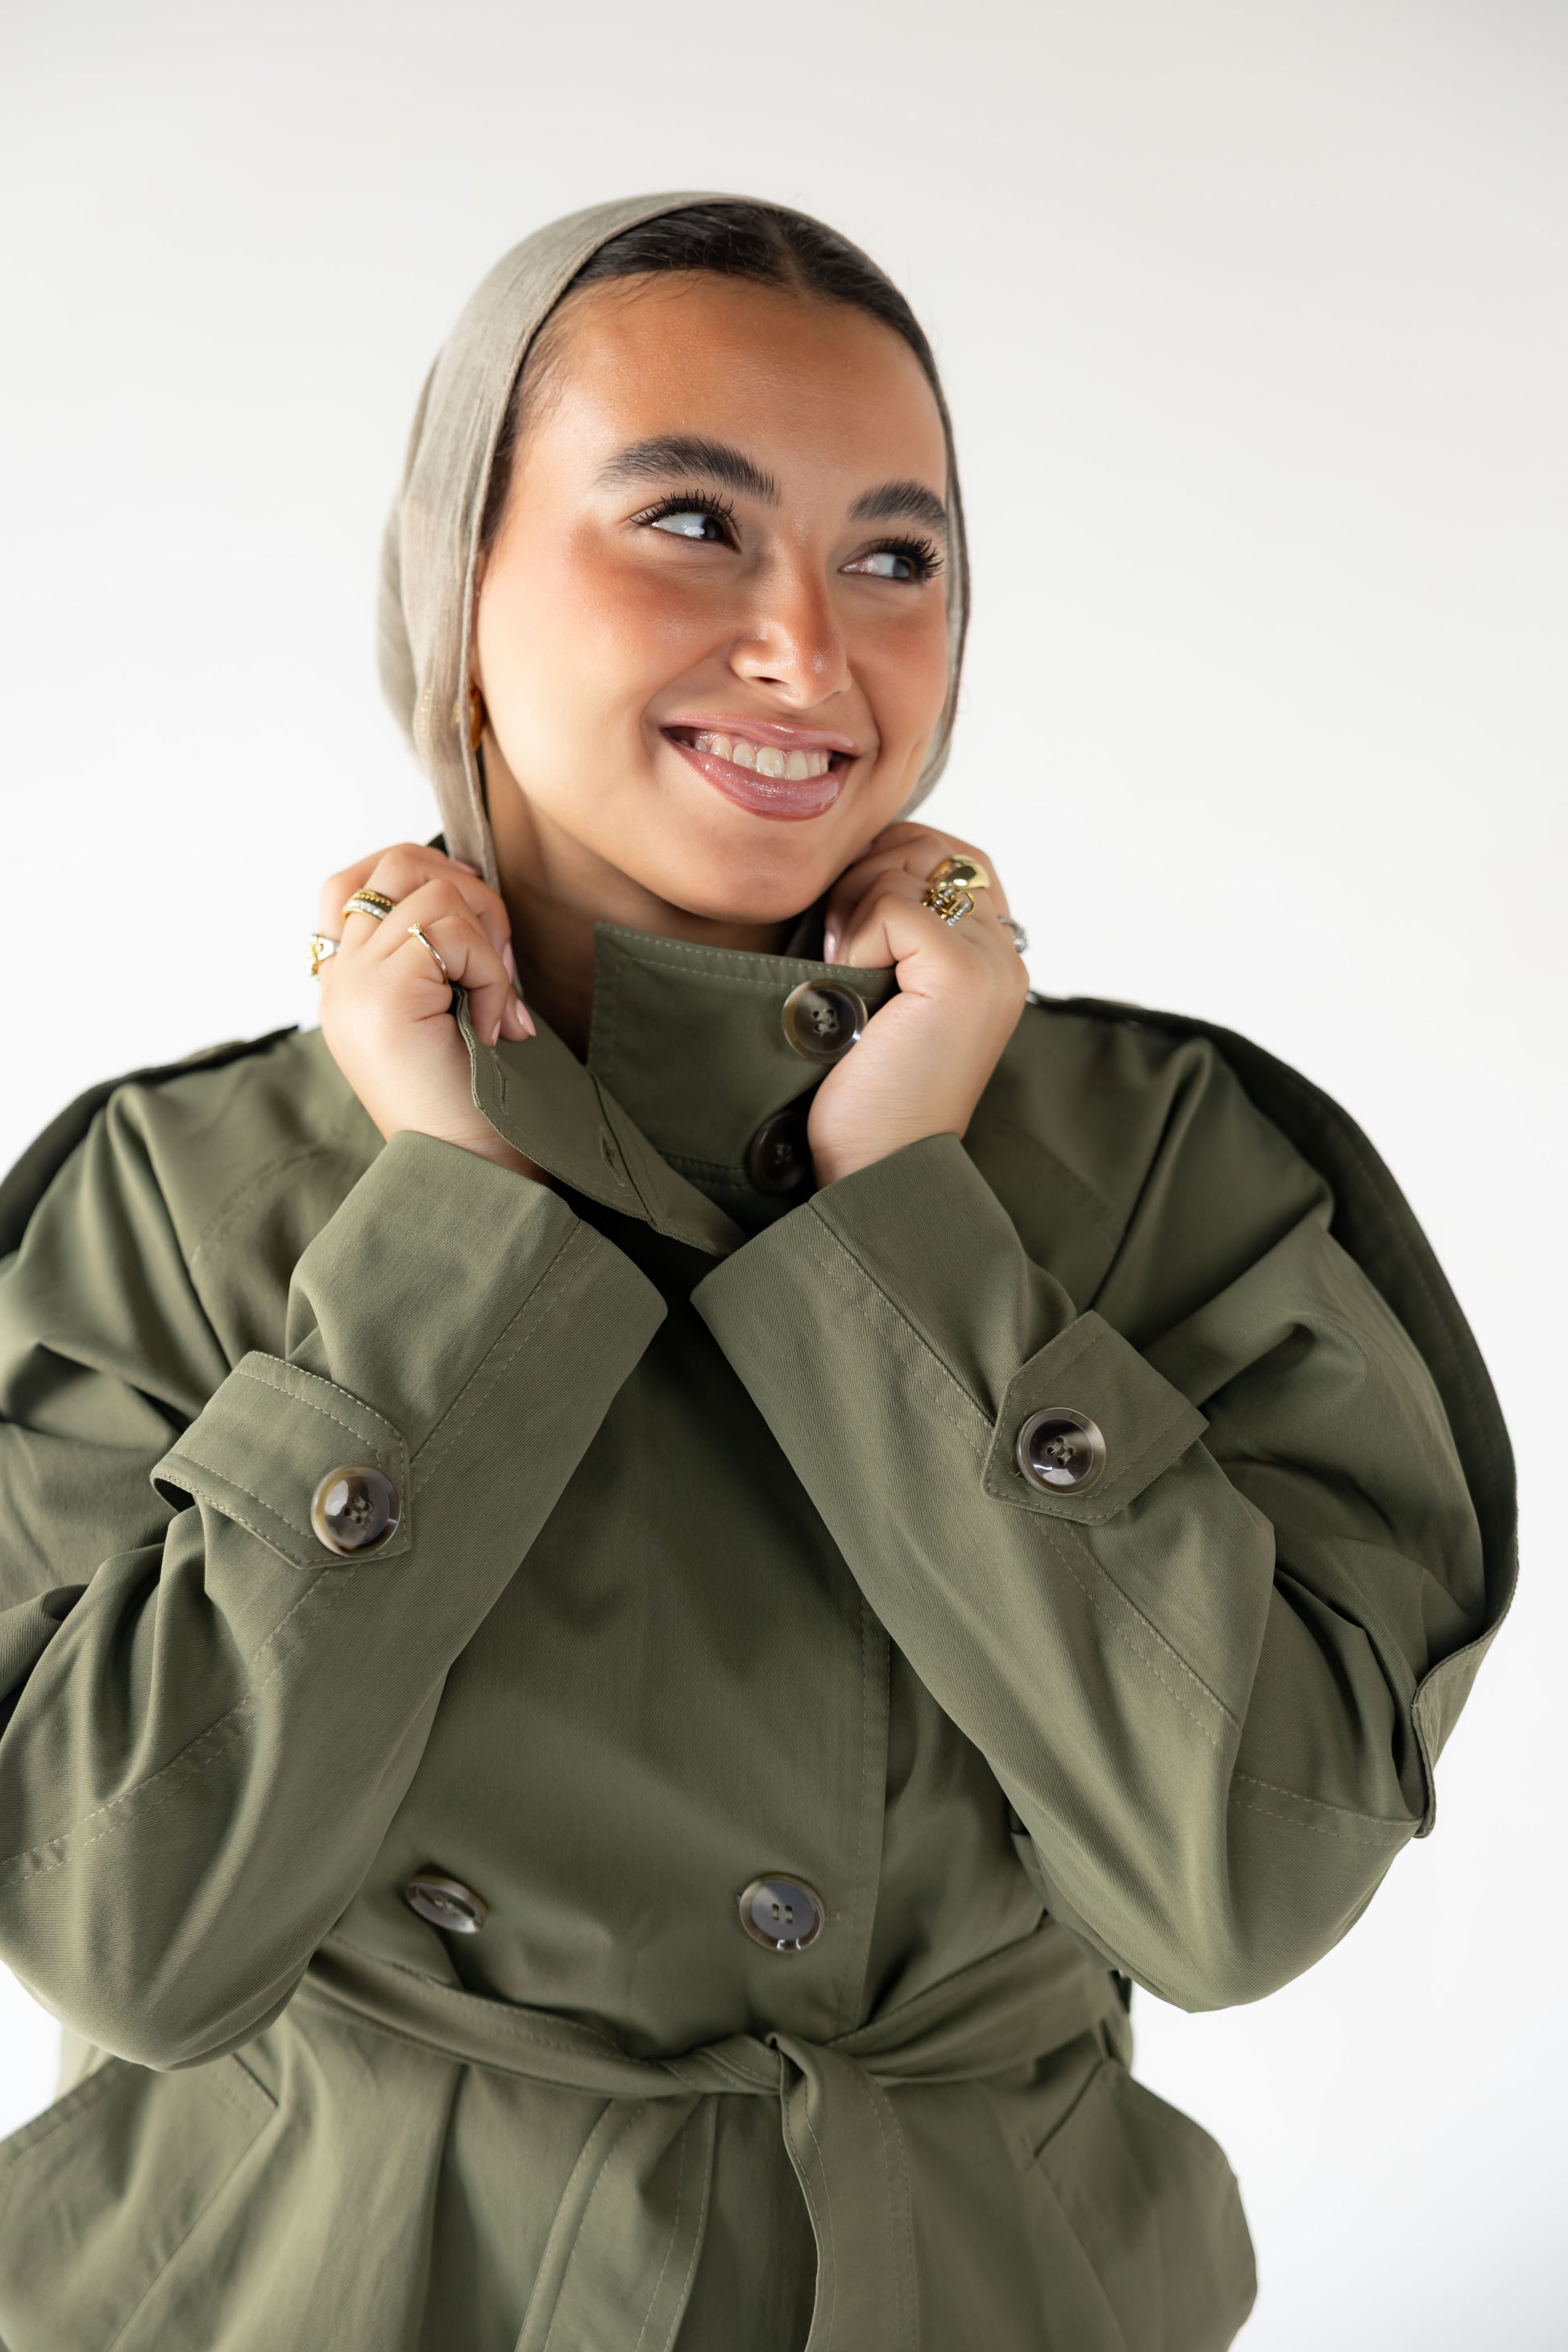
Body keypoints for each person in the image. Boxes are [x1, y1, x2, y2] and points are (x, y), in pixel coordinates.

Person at [0, 193, 1513, 2352]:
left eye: (896, 557)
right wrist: (446, 1229)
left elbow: (1241, 1884)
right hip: (324, 2283)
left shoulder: (1179, 1165)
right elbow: (120, 1925)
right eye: (692, 523)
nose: (811, 648)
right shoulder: (174, 1190)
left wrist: (905, 1221)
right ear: (454, 589)